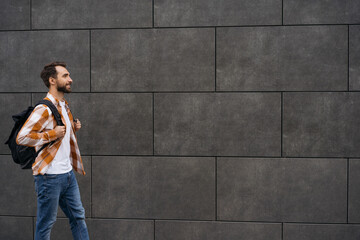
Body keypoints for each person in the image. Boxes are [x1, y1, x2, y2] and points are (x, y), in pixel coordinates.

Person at [16, 62, 89, 240]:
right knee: (46, 224)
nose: (70, 79)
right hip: (49, 177)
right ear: (52, 80)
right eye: (65, 76)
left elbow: (62, 133)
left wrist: (72, 128)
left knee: (78, 217)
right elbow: (22, 137)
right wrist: (51, 134)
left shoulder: (64, 105)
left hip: (68, 175)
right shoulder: (44, 108)